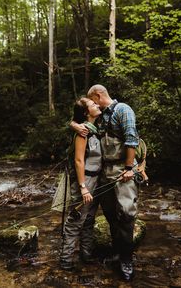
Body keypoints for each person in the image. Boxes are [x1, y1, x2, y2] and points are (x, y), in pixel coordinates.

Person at [71, 85, 139, 281]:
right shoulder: (99, 115)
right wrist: (73, 124)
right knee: (110, 213)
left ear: (98, 96)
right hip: (104, 171)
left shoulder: (123, 110)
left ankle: (126, 259)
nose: (92, 103)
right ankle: (117, 252)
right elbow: (80, 117)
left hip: (122, 170)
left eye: (92, 100)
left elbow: (131, 140)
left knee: (126, 213)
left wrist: (128, 169)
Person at [60, 97, 102, 270]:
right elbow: (78, 160)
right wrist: (83, 188)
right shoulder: (82, 132)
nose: (97, 105)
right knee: (76, 219)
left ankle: (86, 254)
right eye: (93, 105)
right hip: (84, 182)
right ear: (86, 113)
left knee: (89, 219)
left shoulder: (96, 127)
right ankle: (65, 260)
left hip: (97, 180)